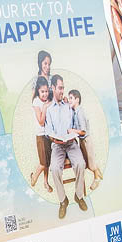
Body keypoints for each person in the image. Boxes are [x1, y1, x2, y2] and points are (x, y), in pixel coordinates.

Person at [45, 75, 87, 219]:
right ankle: (63, 200)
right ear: (53, 88)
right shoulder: (49, 110)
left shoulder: (69, 106)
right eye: (60, 88)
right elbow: (48, 132)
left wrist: (75, 133)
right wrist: (55, 139)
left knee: (81, 164)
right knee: (55, 168)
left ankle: (78, 195)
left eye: (63, 87)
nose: (63, 91)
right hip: (57, 146)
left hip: (71, 143)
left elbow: (77, 126)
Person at [69, 89, 103, 190]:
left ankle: (96, 178)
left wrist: (72, 130)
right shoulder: (74, 112)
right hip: (82, 141)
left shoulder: (80, 112)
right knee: (87, 163)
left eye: (71, 98)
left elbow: (83, 131)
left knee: (91, 164)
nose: (70, 100)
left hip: (86, 140)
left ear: (77, 99)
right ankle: (98, 171)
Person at [29, 75, 54, 193]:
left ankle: (45, 182)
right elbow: (41, 121)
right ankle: (34, 177)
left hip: (49, 135)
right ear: (38, 91)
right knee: (43, 163)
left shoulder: (48, 99)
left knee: (47, 161)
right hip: (41, 136)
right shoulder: (37, 102)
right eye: (42, 91)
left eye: (46, 91)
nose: (44, 94)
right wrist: (44, 107)